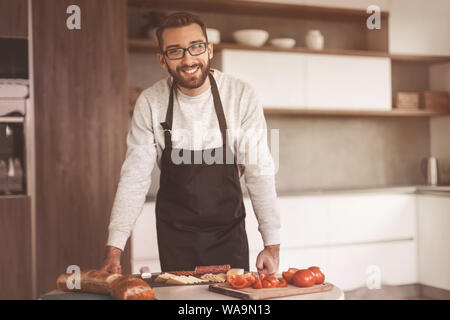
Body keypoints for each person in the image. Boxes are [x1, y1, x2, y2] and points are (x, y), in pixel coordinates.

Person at [100, 12, 281, 275]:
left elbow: (259, 171)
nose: (188, 59)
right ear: (162, 60)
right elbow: (134, 178)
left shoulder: (240, 96)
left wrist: (272, 244)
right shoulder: (151, 103)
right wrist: (114, 250)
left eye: (196, 47)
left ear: (209, 50)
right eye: (175, 51)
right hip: (176, 238)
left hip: (228, 235)